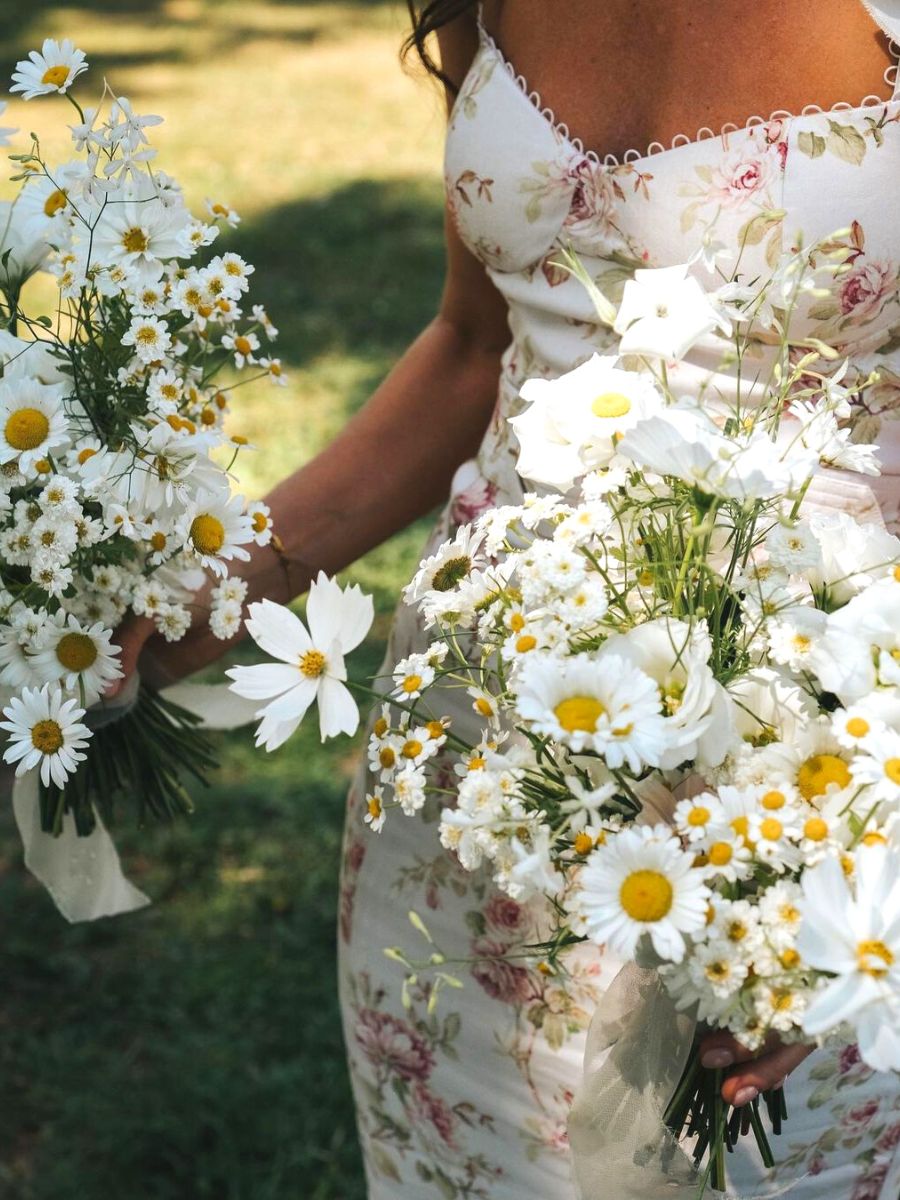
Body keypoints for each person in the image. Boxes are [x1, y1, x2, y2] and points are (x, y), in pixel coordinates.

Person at [114, 2, 900, 1195]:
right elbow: (479, 343)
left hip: (820, 782)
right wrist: (194, 603)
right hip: (474, 779)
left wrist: (860, 883)